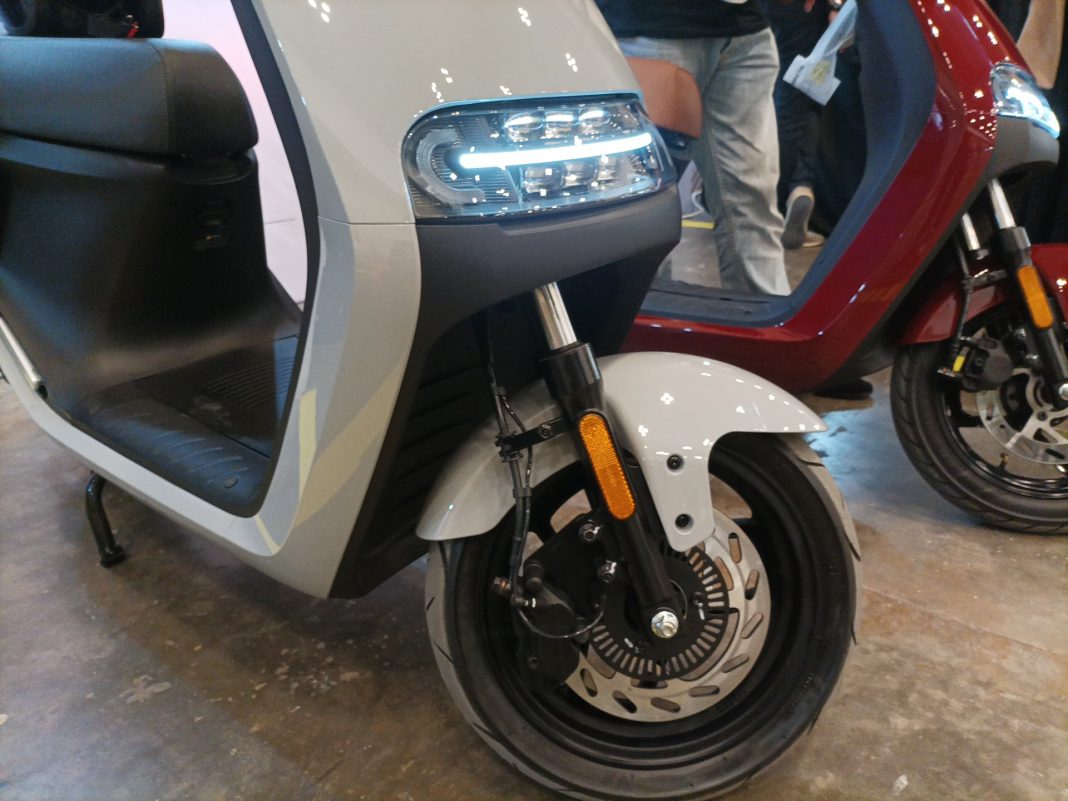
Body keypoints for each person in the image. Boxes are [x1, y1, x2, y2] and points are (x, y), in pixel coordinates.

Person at [597, 0, 791, 295]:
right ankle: (637, 317)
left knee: (752, 202)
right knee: (645, 210)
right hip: (652, 27)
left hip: (745, 30)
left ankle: (763, 317)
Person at [764, 0, 834, 249]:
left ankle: (798, 188)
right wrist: (836, 5)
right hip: (803, 11)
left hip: (754, 14)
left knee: (795, 100)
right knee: (800, 98)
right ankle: (780, 199)